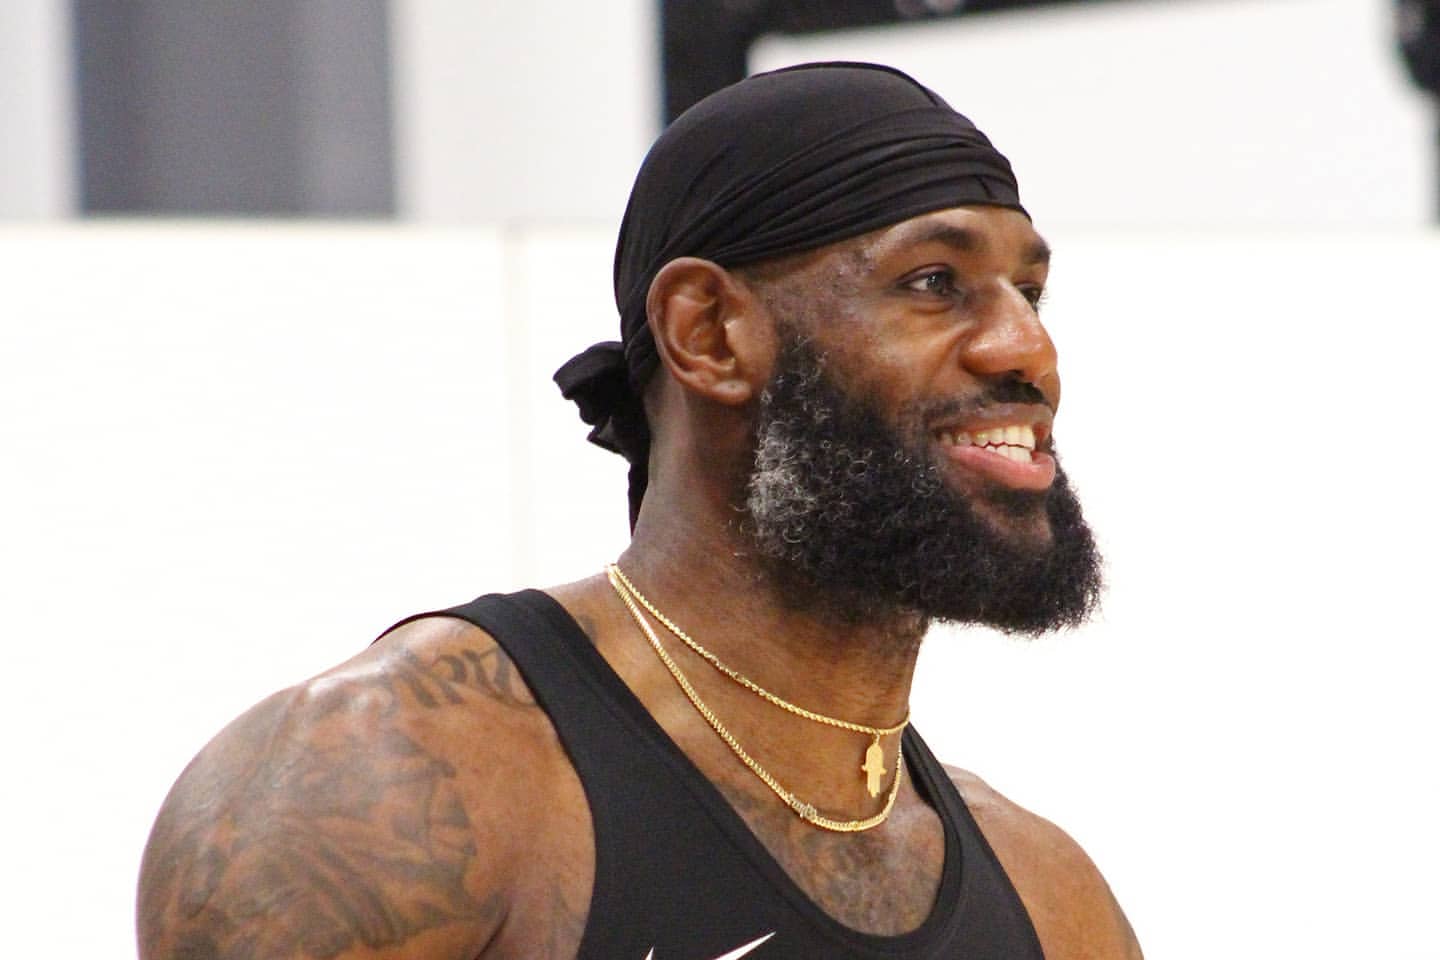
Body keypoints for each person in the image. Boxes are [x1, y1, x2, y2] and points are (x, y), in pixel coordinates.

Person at [137, 62, 1141, 959]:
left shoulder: (1055, 903)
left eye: (1031, 293)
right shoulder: (386, 782)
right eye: (934, 283)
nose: (1029, 350)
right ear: (708, 334)